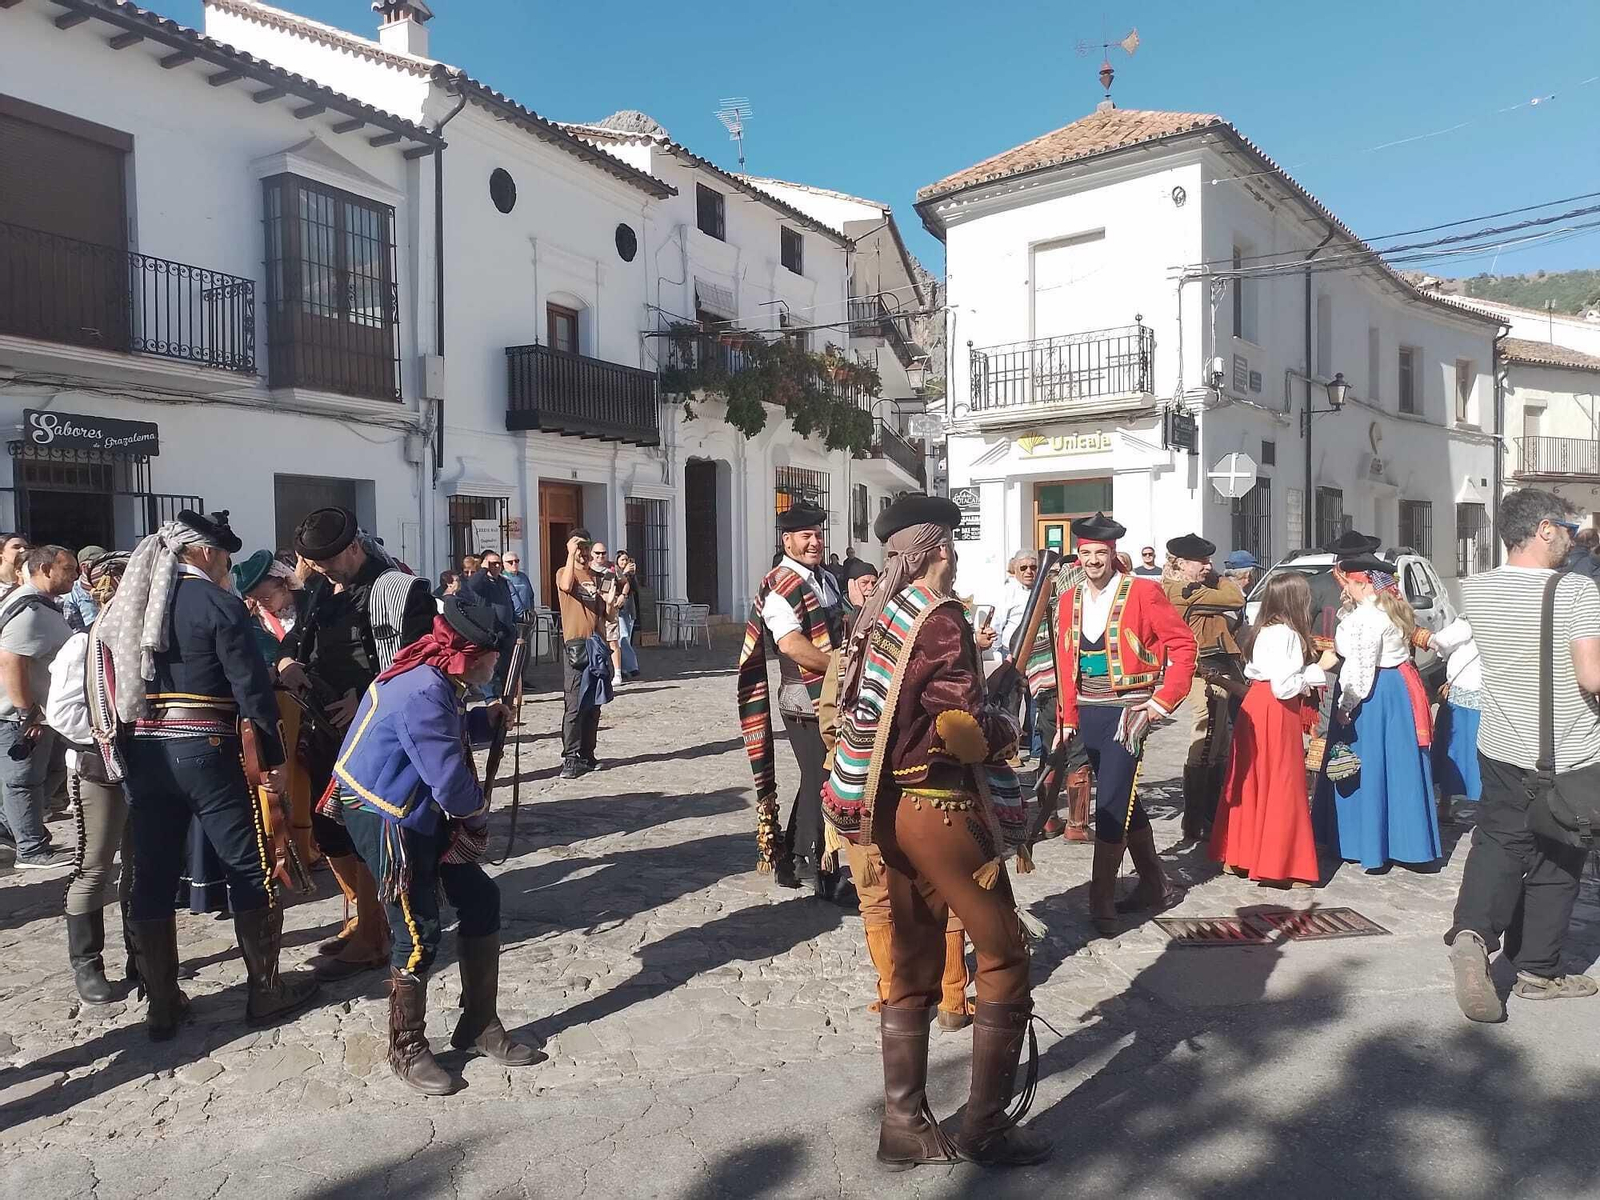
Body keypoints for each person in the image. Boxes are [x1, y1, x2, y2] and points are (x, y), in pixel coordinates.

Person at [822, 492, 1047, 1168]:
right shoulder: (942, 618)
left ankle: (904, 1125)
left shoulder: (883, 612)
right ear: (940, 549)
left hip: (891, 811)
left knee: (913, 964)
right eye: (953, 545)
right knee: (1004, 955)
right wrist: (1006, 725)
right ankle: (985, 1127)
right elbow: (961, 729)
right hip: (943, 809)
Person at [91, 510, 317, 1040]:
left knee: (151, 871)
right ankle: (265, 990)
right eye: (226, 558)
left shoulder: (130, 602)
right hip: (205, 749)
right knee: (247, 864)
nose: (227, 568)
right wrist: (273, 760)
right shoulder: (217, 603)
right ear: (207, 553)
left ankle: (162, 1003)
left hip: (143, 749)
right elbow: (251, 691)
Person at [330, 596, 544, 1093]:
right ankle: (406, 1046)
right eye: (492, 654)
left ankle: (478, 1024)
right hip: (386, 815)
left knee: (480, 897)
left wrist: (483, 721)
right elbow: (449, 782)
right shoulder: (424, 687)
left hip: (417, 806)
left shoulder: (437, 675)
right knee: (418, 931)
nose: (497, 661)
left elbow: (441, 734)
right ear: (467, 653)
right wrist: (478, 818)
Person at [1446, 489, 1600, 1021]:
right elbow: (1591, 676)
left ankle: (1471, 935)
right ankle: (1538, 969)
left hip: (1501, 743)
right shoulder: (1576, 589)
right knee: (1561, 853)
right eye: (1567, 527)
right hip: (1568, 751)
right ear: (1544, 529)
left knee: (1499, 840)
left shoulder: (1478, 588)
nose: (1573, 537)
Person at [282, 508, 435, 981]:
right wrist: (288, 662)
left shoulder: (400, 591)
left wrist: (368, 697)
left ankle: (374, 933)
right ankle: (361, 916)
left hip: (375, 733)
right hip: (323, 729)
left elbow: (423, 661)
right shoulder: (321, 591)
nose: (324, 571)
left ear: (353, 547)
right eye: (317, 564)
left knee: (365, 829)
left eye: (330, 561)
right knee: (329, 829)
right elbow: (296, 637)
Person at [1054, 514, 1196, 935]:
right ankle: (1155, 883)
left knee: (1112, 801)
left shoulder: (1143, 591)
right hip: (1088, 710)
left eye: (1101, 553)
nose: (1093, 561)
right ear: (1078, 556)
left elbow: (1183, 645)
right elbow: (1065, 661)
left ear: (1113, 553)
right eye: (1087, 554)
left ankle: (1101, 900)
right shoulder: (1069, 598)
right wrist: (1067, 717)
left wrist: (1161, 702)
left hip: (1129, 712)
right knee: (1124, 795)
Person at [736, 502, 849, 899]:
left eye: (818, 534)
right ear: (787, 540)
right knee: (824, 777)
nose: (815, 542)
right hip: (804, 699)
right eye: (806, 536)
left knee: (818, 775)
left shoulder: (826, 579)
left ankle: (795, 857)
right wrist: (841, 668)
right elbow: (791, 645)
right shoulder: (779, 585)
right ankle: (819, 867)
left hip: (831, 695)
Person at [1311, 553, 1441, 871]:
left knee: (1365, 764)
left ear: (1363, 583)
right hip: (1398, 690)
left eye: (1349, 584)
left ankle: (1365, 842)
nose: (1345, 589)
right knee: (1398, 764)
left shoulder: (1365, 619)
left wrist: (1346, 706)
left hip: (1373, 695)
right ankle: (1406, 843)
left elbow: (1360, 667)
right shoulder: (1389, 609)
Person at [45, 551, 134, 1001]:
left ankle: (143, 951)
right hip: (98, 767)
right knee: (94, 864)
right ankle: (87, 963)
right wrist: (110, 735)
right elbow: (61, 713)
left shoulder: (146, 641)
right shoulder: (82, 645)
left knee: (141, 863)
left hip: (146, 767)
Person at [1209, 571, 1333, 887]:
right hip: (1277, 710)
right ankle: (1281, 865)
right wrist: (1316, 671)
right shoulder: (1288, 634)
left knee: (1251, 779)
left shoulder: (1260, 630)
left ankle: (1240, 856)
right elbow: (1285, 686)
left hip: (1255, 704)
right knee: (1282, 782)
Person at [232, 549, 319, 874]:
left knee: (308, 772)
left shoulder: (311, 606)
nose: (263, 603)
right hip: (273, 706)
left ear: (283, 582)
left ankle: (312, 845)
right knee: (276, 776)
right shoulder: (250, 621)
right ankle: (281, 849)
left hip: (310, 703)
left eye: (266, 596)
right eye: (256, 598)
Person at [1162, 534, 1246, 844]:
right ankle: (1197, 820)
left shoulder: (1191, 587)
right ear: (1181, 564)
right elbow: (1236, 598)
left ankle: (1212, 815)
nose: (1208, 566)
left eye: (1209, 562)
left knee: (1219, 743)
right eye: (1201, 562)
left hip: (1216, 667)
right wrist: (1219, 577)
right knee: (1206, 740)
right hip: (1205, 671)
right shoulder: (1185, 590)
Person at [0, 544, 78, 868]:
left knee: (51, 771)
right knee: (24, 781)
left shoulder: (40, 605)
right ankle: (31, 849)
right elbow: (10, 660)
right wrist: (25, 713)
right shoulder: (29, 610)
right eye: (68, 569)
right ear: (45, 569)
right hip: (20, 717)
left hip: (43, 715)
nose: (76, 575)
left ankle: (12, 830)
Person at [555, 528, 620, 779]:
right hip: (576, 646)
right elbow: (565, 585)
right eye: (578, 547)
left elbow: (608, 615)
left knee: (594, 704)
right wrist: (570, 554)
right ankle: (570, 759)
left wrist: (611, 603)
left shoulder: (598, 577)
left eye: (585, 547)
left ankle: (587, 754)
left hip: (597, 645)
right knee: (574, 704)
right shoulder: (564, 572)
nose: (582, 552)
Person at [1425, 615, 1484, 825]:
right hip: (1487, 696)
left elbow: (1441, 641)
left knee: (1452, 749)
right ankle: (1484, 806)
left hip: (1462, 696)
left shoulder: (1468, 621)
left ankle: (1446, 804)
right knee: (1478, 753)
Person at [995, 550, 1042, 760]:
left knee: (1037, 701)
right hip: (1012, 654)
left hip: (1038, 653)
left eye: (1033, 567)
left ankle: (1037, 749)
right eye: (1023, 568)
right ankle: (1011, 750)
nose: (1029, 571)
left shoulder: (1043, 590)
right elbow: (998, 623)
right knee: (1012, 702)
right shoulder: (1008, 592)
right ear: (1015, 570)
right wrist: (1001, 658)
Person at [465, 550, 517, 698]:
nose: (497, 566)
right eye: (493, 564)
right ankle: (491, 699)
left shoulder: (502, 581)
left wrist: (513, 623)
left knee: (507, 668)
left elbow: (509, 603)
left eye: (499, 563)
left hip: (506, 631)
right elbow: (472, 584)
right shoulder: (482, 582)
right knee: (489, 668)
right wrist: (483, 569)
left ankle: (507, 697)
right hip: (490, 632)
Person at [63, 544, 106, 633]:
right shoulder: (74, 591)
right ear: (84, 567)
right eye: (100, 564)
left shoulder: (109, 585)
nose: (105, 568)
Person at [613, 550, 642, 681]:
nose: (625, 562)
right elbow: (614, 587)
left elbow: (635, 589)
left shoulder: (630, 575)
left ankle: (623, 668)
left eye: (626, 560)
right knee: (623, 637)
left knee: (626, 638)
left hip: (630, 609)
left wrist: (633, 575)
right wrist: (623, 574)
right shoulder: (614, 573)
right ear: (617, 561)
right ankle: (632, 666)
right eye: (622, 560)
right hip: (619, 609)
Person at [502, 551, 536, 619]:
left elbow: (531, 595)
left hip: (526, 617)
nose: (514, 564)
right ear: (504, 564)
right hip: (511, 617)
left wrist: (531, 611)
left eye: (516, 561)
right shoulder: (501, 578)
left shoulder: (523, 576)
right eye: (510, 562)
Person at [0, 532, 29, 602]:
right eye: (16, 547)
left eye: (26, 547)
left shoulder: (32, 579)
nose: (23, 550)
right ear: (1, 553)